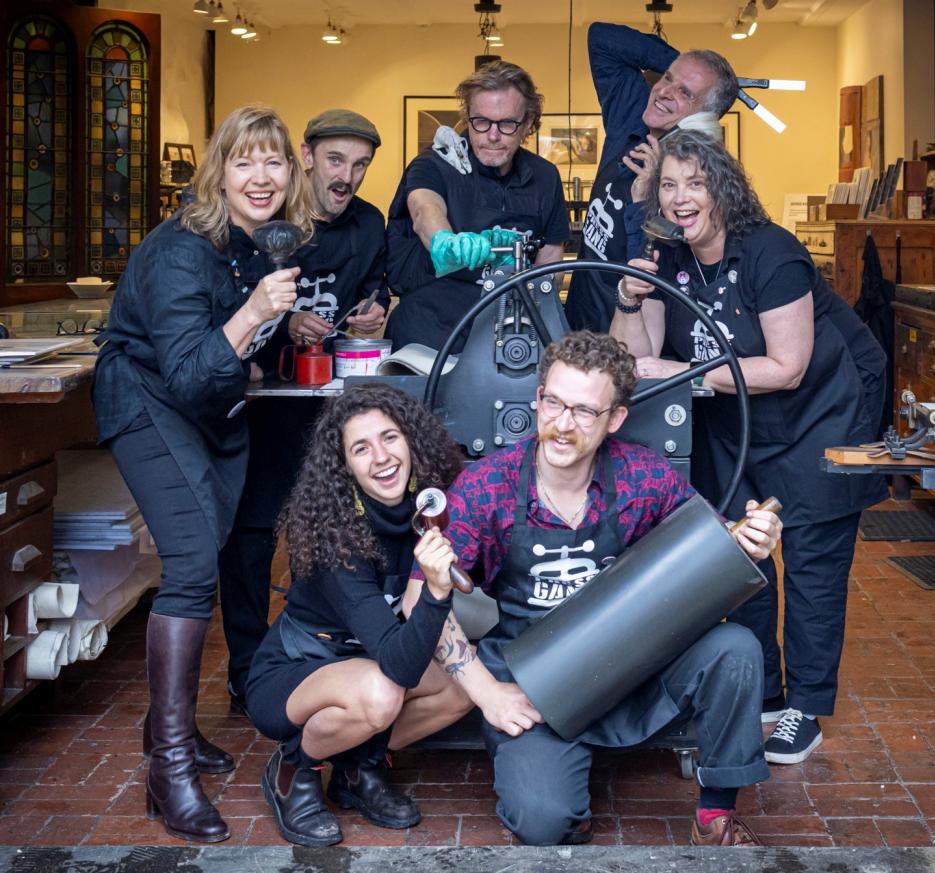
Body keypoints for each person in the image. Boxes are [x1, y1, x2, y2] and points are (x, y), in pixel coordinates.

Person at [405, 331, 783, 847]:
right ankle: (561, 782)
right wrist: (487, 693)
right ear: (538, 399)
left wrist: (753, 541)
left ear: (615, 418)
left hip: (632, 663)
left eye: (584, 411)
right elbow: (419, 599)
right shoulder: (488, 485)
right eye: (554, 403)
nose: (563, 425)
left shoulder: (643, 476)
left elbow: (719, 547)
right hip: (536, 677)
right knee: (542, 822)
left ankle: (715, 813)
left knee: (734, 647)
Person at [611, 131, 888, 766]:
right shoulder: (669, 256)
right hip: (736, 424)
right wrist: (628, 297)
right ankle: (764, 691)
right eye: (668, 185)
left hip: (819, 416)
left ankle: (806, 710)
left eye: (695, 183)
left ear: (724, 189)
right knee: (740, 558)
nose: (680, 198)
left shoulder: (772, 252)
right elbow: (636, 358)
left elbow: (788, 367)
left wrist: (684, 371)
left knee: (813, 566)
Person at [92, 105, 315, 842]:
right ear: (219, 172)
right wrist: (252, 314)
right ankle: (170, 768)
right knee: (190, 562)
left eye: (273, 161)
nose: (261, 176)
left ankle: (171, 735)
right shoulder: (181, 251)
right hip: (148, 400)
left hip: (208, 407)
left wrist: (262, 331)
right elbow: (189, 369)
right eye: (243, 161)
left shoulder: (251, 247)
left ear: (290, 173)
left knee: (212, 548)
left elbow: (223, 356)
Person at [245, 384, 474, 847]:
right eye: (361, 448)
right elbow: (400, 666)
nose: (381, 457)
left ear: (411, 440)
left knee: (463, 685)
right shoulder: (337, 538)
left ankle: (356, 767)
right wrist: (434, 593)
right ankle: (293, 769)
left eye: (389, 437)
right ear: (345, 465)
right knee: (382, 692)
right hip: (298, 669)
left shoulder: (427, 507)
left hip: (373, 659)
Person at [218, 109, 388, 714]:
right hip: (266, 400)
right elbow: (231, 301)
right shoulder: (270, 216)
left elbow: (374, 289)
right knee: (252, 535)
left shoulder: (370, 222)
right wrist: (285, 321)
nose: (347, 176)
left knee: (347, 532)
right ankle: (245, 669)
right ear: (307, 158)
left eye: (360, 164)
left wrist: (375, 311)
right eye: (336, 160)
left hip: (335, 404)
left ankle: (341, 656)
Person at [564, 21, 739, 333]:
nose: (664, 92)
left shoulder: (693, 183)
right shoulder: (632, 116)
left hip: (628, 337)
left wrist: (643, 199)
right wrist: (684, 64)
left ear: (703, 117)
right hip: (576, 323)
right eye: (668, 77)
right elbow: (601, 38)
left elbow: (650, 279)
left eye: (685, 93)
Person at [384, 60, 570, 352]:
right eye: (481, 122)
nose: (492, 136)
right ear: (467, 117)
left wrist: (521, 274)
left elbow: (552, 269)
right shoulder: (435, 164)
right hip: (431, 334)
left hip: (510, 336)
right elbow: (424, 209)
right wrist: (447, 243)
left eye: (507, 124)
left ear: (528, 123)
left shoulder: (544, 177)